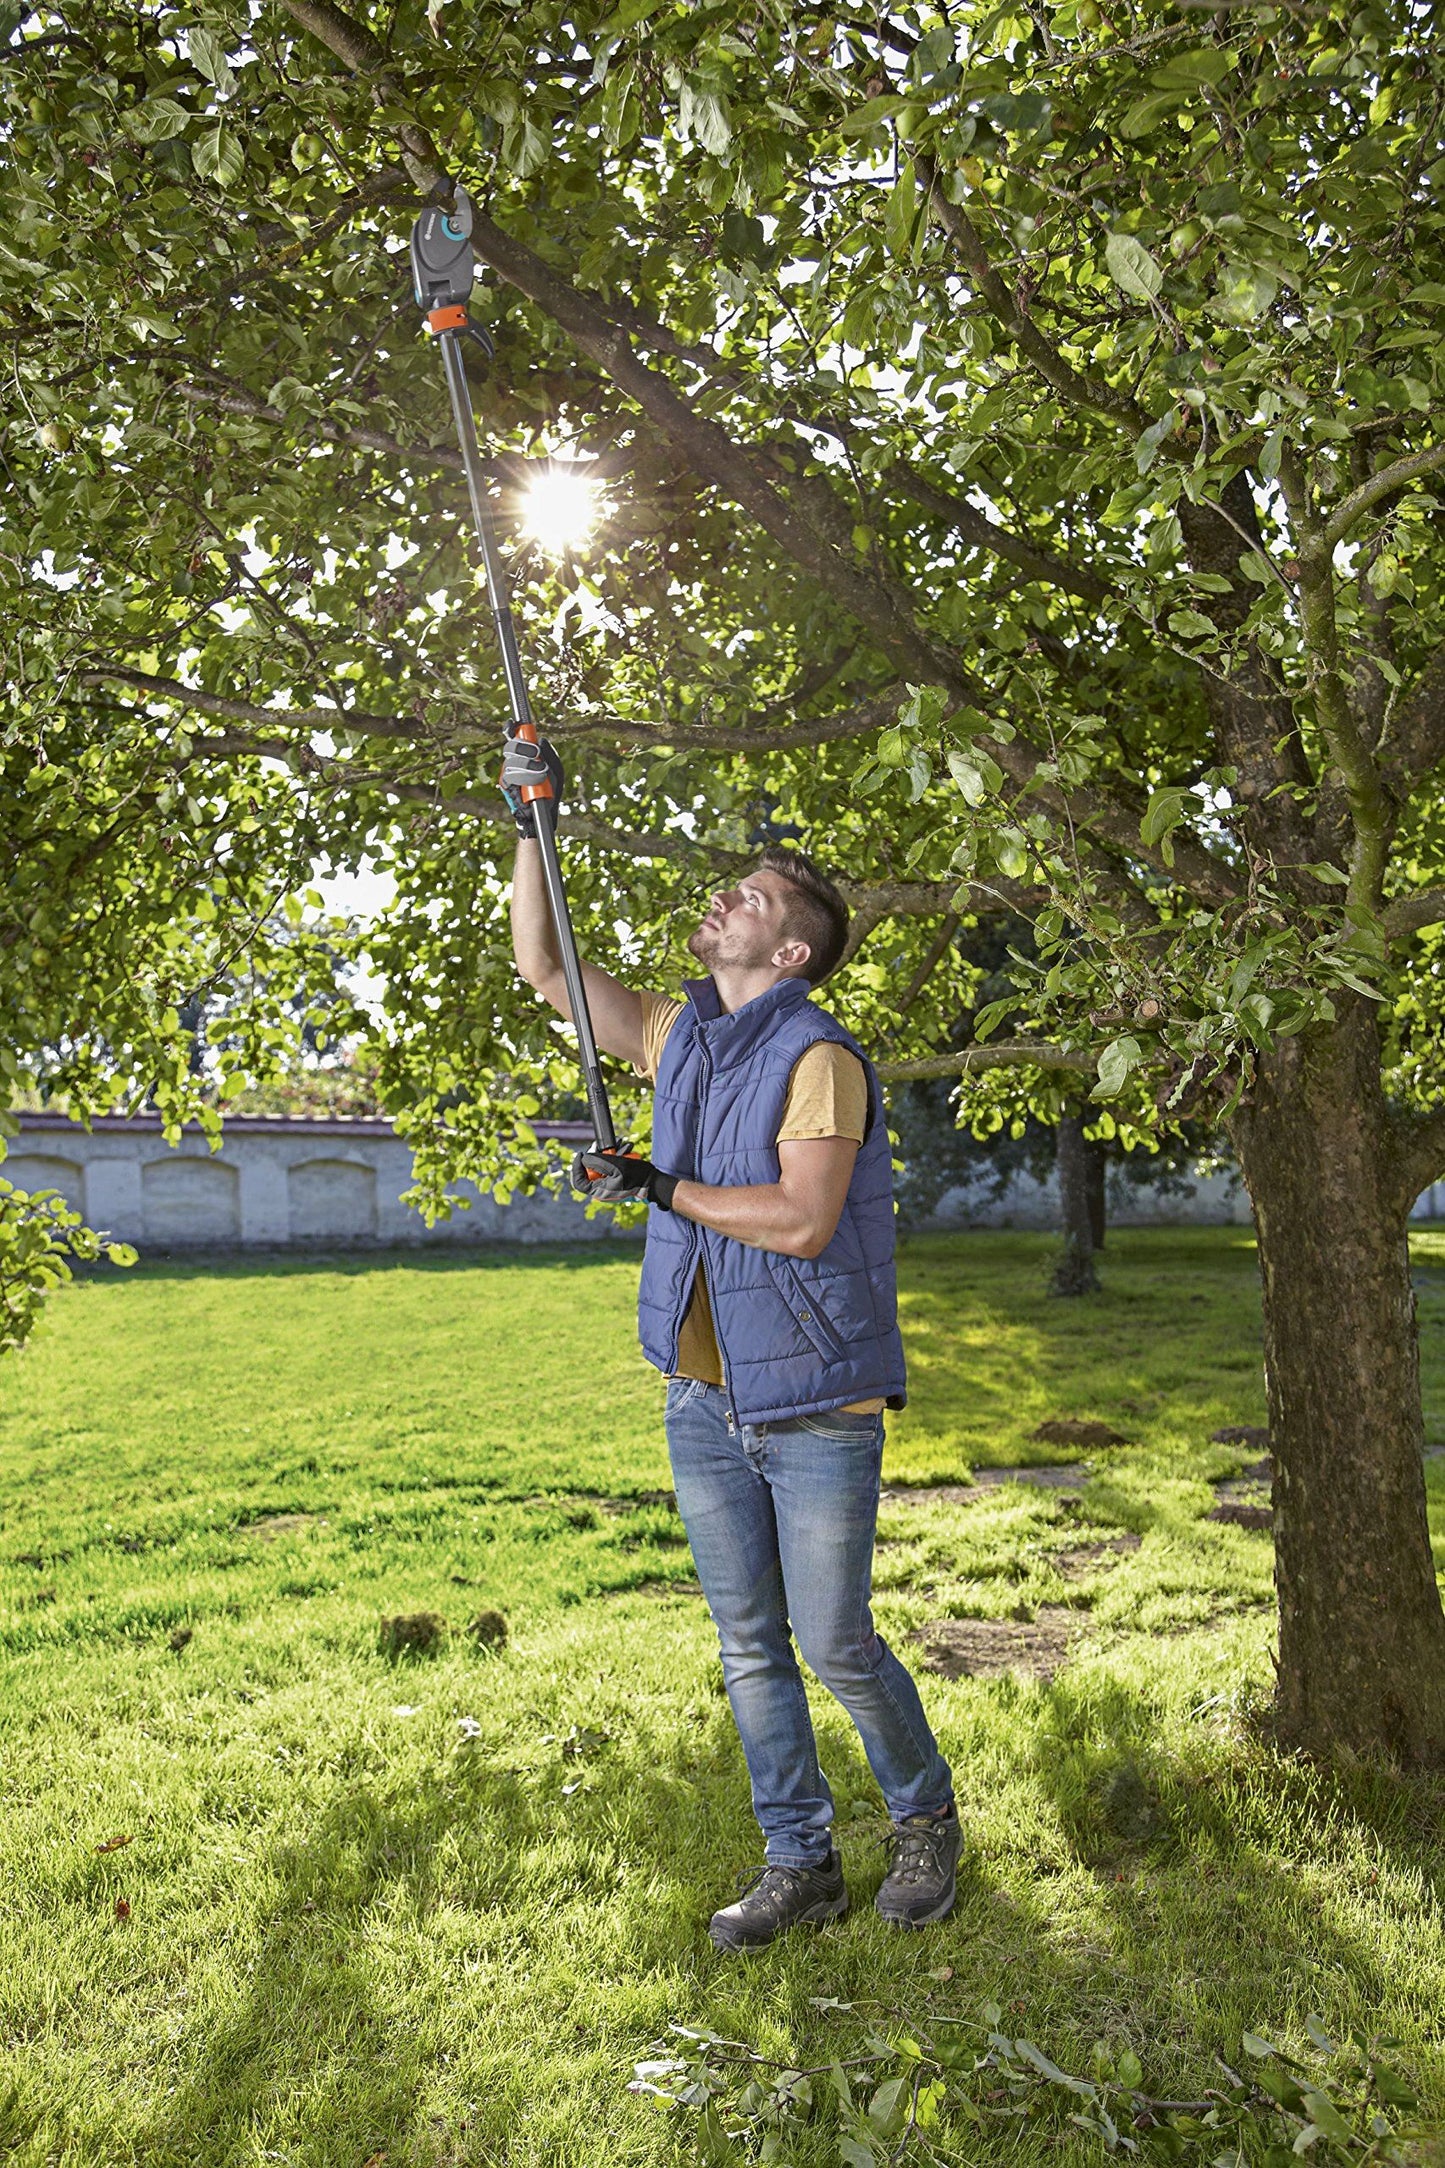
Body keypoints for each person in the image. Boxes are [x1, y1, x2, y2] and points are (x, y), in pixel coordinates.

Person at [502, 734, 957, 1951]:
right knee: (750, 1647)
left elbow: (801, 1220)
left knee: (835, 1642)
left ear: (790, 948)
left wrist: (657, 1182)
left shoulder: (818, 1058)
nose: (722, 899)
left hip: (812, 1408)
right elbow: (541, 966)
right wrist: (527, 816)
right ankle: (797, 1861)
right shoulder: (677, 1034)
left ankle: (922, 1821)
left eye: (748, 897)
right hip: (702, 1402)